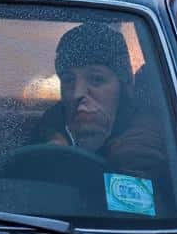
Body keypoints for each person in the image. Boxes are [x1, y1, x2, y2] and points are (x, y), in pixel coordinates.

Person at [35, 22, 165, 182]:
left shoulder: (142, 150)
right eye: (68, 80)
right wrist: (53, 141)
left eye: (97, 79)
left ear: (123, 89)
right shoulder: (49, 132)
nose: (77, 93)